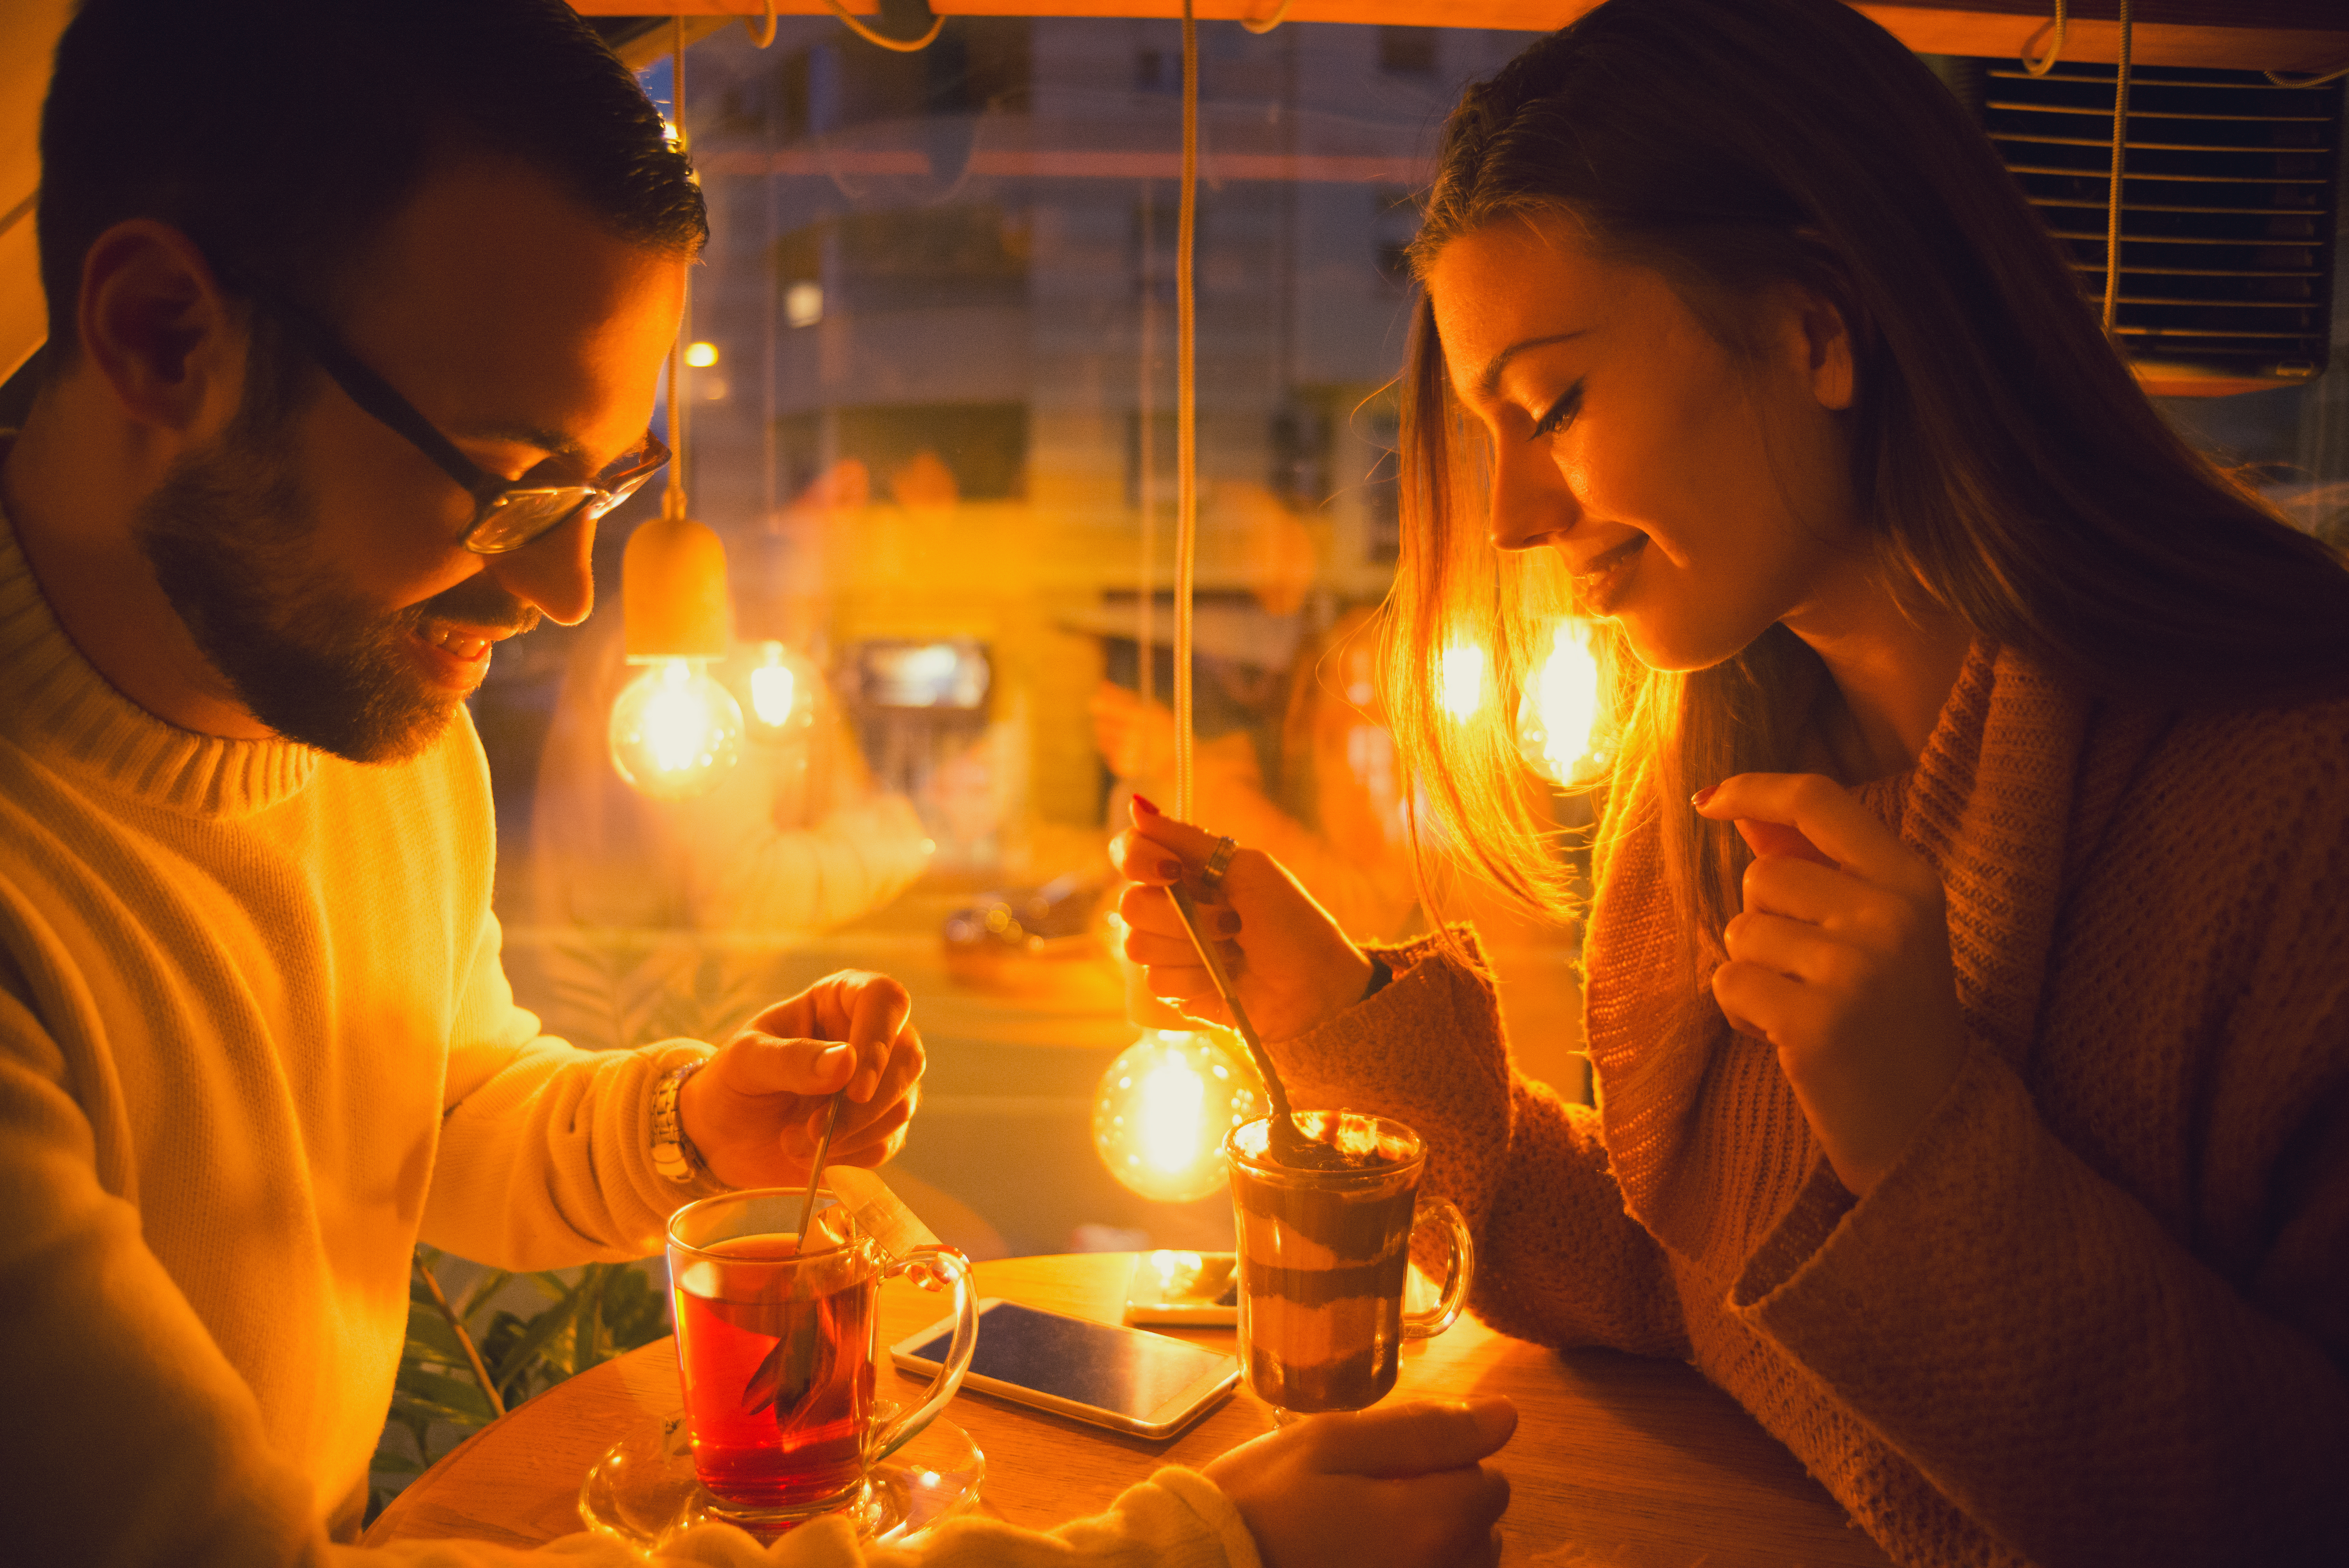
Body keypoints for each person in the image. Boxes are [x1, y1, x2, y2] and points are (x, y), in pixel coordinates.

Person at [0, 4, 1511, 1566]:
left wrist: (693, 1122)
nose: (572, 585)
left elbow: (432, 1101)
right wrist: (1198, 1548)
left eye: (610, 482)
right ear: (163, 335)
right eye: (511, 477)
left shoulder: (357, 713)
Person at [1114, 2, 2349, 1565]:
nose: (1507, 516)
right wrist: (1328, 1000)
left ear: (1817, 323)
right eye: (1488, 429)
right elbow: (1681, 1279)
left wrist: (1922, 1135)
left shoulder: (2293, 792)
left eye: (1551, 405)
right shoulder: (1724, 744)